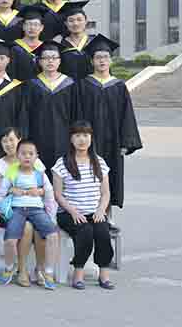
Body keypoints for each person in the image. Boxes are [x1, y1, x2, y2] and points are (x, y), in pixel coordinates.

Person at [78, 35, 142, 209]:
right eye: (98, 57)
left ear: (111, 61)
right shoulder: (83, 85)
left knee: (112, 179)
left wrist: (126, 143)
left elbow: (127, 116)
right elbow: (78, 115)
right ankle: (91, 214)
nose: (102, 61)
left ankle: (108, 216)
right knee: (89, 179)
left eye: (105, 57)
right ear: (92, 61)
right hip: (90, 142)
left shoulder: (119, 86)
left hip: (113, 142)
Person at [52, 121, 115, 290]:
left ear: (91, 138)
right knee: (85, 231)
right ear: (71, 139)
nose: (82, 139)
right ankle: (78, 272)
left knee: (102, 232)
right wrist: (73, 211)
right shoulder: (62, 163)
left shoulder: (99, 162)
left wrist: (101, 211)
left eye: (86, 135)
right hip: (69, 213)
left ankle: (104, 273)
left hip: (95, 212)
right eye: (77, 135)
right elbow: (57, 195)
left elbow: (106, 193)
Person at [0, 139, 59, 290]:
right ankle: (10, 267)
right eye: (23, 153)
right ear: (17, 156)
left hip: (37, 210)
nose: (27, 157)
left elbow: (49, 195)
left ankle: (48, 272)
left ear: (36, 156)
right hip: (18, 210)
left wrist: (51, 216)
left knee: (53, 235)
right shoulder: (12, 173)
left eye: (30, 154)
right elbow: (1, 192)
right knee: (10, 240)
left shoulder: (40, 175)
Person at [24, 41, 82, 171]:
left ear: (59, 61)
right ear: (39, 61)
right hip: (37, 137)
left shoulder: (70, 84)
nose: (50, 61)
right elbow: (25, 113)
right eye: (46, 58)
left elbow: (76, 113)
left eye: (54, 58)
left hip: (64, 137)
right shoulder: (32, 84)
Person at [10, 5, 48, 82]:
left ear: (41, 28)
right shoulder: (13, 48)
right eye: (29, 24)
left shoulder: (46, 47)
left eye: (36, 24)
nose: (32, 28)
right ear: (23, 27)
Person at [59, 1, 93, 81]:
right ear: (66, 23)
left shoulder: (94, 43)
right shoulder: (60, 46)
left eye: (79, 19)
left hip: (91, 87)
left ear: (86, 21)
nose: (75, 23)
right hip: (68, 87)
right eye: (71, 20)